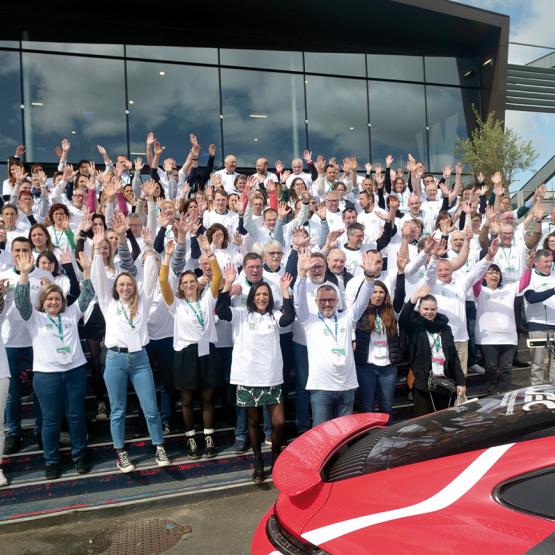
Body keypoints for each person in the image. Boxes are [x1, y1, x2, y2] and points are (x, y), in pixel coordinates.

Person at [90, 228, 171, 472]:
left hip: (139, 359)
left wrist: (149, 247)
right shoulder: (108, 302)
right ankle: (120, 452)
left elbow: (150, 276)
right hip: (114, 358)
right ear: (116, 287)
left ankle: (159, 446)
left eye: (129, 284)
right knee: (117, 410)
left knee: (150, 408)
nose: (125, 287)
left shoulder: (143, 302)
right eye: (121, 284)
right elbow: (98, 278)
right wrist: (96, 251)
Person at [14, 250, 95, 479]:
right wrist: (23, 274)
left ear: (62, 302)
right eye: (49, 299)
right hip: (47, 376)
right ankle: (51, 461)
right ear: (43, 301)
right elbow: (21, 301)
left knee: (76, 416)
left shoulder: (71, 313)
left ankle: (79, 456)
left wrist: (87, 271)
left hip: (74, 372)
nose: (54, 302)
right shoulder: (34, 318)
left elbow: (87, 295)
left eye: (57, 299)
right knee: (50, 420)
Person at [216, 266, 294, 483]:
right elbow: (221, 310)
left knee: (278, 422)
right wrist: (227, 285)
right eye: (258, 294)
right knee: (253, 422)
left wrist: (285, 291)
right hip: (248, 377)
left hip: (271, 377)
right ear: (252, 297)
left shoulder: (274, 316)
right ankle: (258, 461)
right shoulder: (241, 314)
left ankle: (276, 454)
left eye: (265, 295)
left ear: (270, 298)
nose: (261, 298)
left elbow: (289, 318)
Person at [294, 249, 378, 426]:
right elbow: (298, 302)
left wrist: (369, 278)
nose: (327, 303)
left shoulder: (347, 317)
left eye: (331, 300)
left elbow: (362, 301)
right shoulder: (309, 320)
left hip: (347, 386)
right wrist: (301, 275)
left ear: (337, 301)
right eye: (323, 300)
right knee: (321, 434)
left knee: (344, 433)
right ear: (316, 302)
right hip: (321, 387)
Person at [159, 235, 223, 459]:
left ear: (197, 283)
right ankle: (191, 438)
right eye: (184, 283)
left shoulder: (207, 299)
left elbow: (218, 278)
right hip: (185, 355)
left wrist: (209, 251)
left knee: (207, 399)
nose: (188, 285)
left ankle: (208, 436)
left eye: (192, 281)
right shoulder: (176, 305)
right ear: (181, 287)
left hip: (207, 353)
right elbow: (163, 282)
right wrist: (166, 257)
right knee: (186, 399)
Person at [354, 248, 407, 422]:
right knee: (367, 407)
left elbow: (400, 297)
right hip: (367, 366)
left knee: (386, 407)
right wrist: (368, 276)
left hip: (387, 366)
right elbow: (361, 298)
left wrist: (401, 272)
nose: (377, 295)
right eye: (374, 292)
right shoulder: (361, 312)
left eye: (381, 292)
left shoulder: (391, 312)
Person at [473, 245, 532, 394]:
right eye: (490, 273)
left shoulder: (508, 289)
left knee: (506, 368)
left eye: (497, 273)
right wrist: (485, 264)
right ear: (485, 276)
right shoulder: (481, 291)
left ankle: (505, 394)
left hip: (509, 337)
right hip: (488, 339)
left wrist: (528, 267)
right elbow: (475, 284)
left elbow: (524, 283)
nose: (494, 275)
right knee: (491, 368)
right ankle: (491, 394)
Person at [399, 284, 466, 416]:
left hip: (445, 381)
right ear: (419, 309)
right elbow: (403, 319)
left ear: (437, 310)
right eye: (425, 309)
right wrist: (414, 298)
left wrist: (461, 383)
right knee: (423, 420)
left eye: (432, 309)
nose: (429, 312)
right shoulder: (415, 326)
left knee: (444, 419)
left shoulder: (445, 328)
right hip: (422, 382)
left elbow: (453, 357)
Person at [524, 249, 555, 386]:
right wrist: (552, 291)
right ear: (536, 263)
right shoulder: (529, 277)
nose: (549, 264)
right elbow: (531, 298)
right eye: (545, 261)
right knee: (538, 362)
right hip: (537, 325)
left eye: (550, 261)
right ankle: (537, 392)